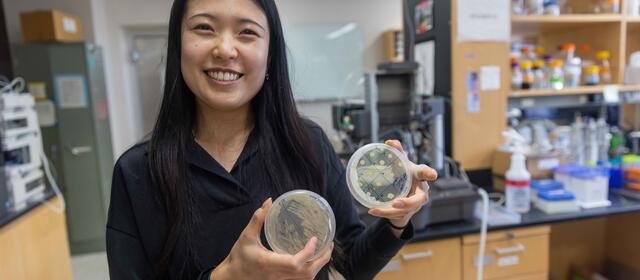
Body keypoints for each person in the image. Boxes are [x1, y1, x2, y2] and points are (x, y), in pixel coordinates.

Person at [106, 0, 437, 279]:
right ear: (178, 45)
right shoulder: (137, 174)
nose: (225, 48)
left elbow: (352, 264)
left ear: (269, 54)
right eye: (204, 28)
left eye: (247, 32)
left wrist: (396, 220)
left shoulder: (308, 145)